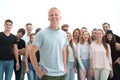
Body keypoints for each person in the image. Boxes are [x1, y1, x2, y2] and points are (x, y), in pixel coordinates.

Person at [29, 7, 68, 80]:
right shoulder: (41, 34)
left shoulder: (64, 34)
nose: (54, 17)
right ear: (48, 18)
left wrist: (65, 67)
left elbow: (63, 51)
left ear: (60, 17)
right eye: (51, 15)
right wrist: (38, 71)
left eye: (56, 15)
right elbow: (31, 53)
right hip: (47, 75)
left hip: (62, 74)